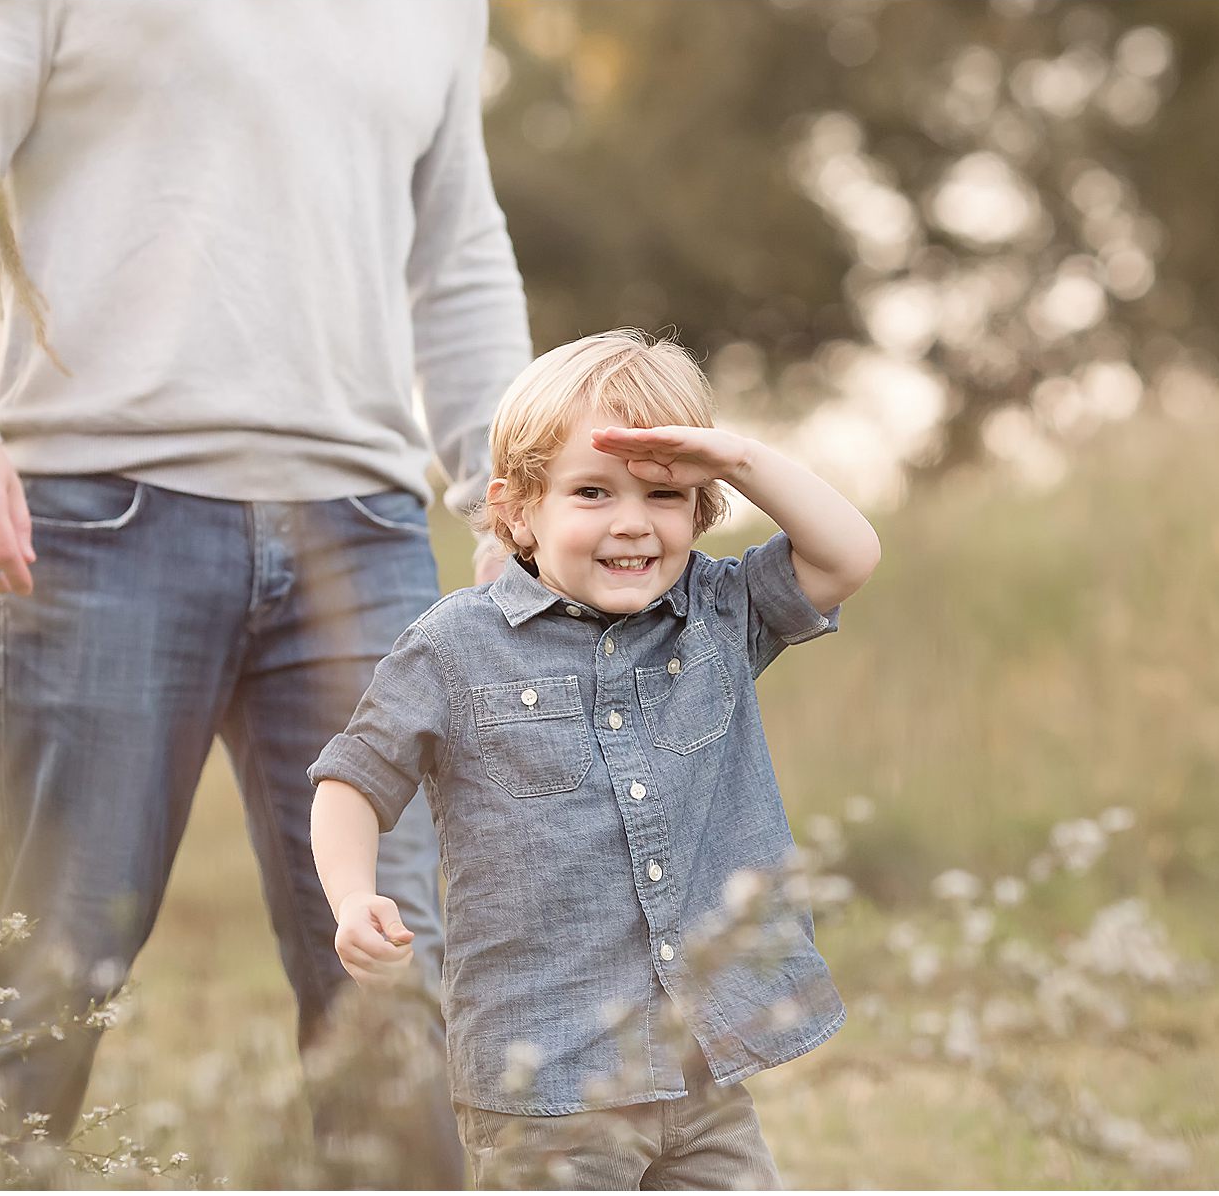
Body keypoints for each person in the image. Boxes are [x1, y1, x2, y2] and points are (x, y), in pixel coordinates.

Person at [0, 1, 529, 1183]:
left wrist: (506, 488)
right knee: (53, 967)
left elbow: (458, 251)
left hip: (366, 533)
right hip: (101, 515)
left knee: (391, 969)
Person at [309, 329, 882, 1188]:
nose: (630, 521)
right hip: (544, 1084)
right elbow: (352, 778)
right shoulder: (455, 647)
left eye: (663, 494)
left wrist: (738, 456)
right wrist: (353, 896)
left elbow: (848, 554)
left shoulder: (717, 614)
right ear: (516, 510)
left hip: (702, 1068)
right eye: (591, 491)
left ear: (700, 507)